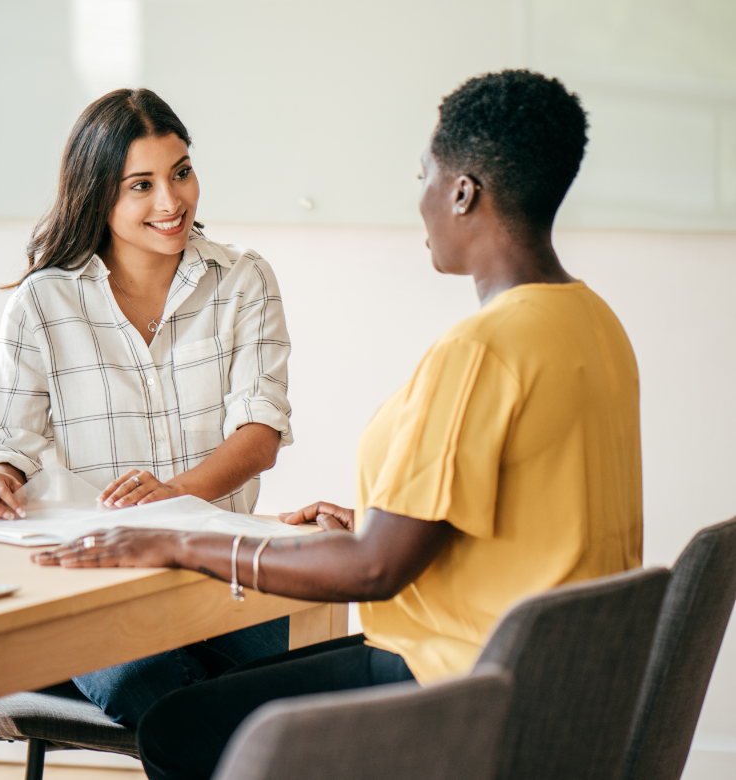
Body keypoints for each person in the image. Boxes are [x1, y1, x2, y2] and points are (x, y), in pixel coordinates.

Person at [34, 69, 644, 780]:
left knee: (178, 728)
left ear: (462, 192)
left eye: (425, 176)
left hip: (458, 684)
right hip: (556, 685)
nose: (420, 199)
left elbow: (376, 570)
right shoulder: (592, 323)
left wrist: (179, 539)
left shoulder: (479, 352)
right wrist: (372, 524)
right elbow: (527, 523)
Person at [0, 88, 294, 728]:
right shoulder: (43, 302)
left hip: (222, 582)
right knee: (157, 688)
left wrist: (170, 497)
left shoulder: (243, 280)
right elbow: (3, 438)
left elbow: (259, 435)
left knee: (305, 678)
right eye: (140, 185)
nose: (171, 202)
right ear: (98, 195)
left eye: (181, 173)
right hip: (94, 592)